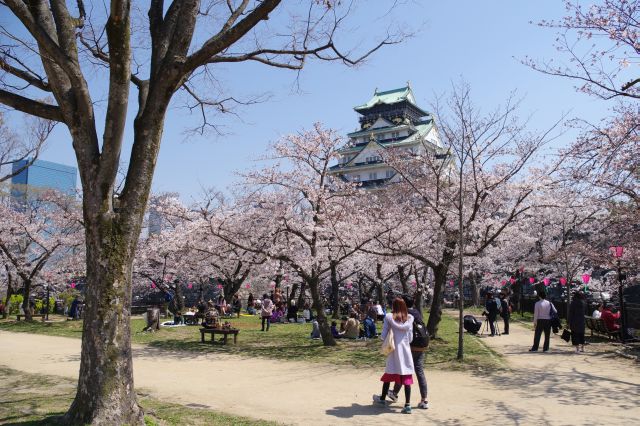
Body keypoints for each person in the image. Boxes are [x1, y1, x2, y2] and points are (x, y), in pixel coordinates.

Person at [372, 297, 415, 414]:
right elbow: (410, 338)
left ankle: (382, 399)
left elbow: (383, 336)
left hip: (393, 351)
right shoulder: (410, 318)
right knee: (406, 377)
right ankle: (407, 405)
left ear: (393, 306)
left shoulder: (388, 317)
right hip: (405, 351)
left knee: (389, 374)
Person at [389, 296, 429, 410]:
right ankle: (424, 399)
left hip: (410, 347)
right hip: (421, 346)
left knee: (404, 370)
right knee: (419, 371)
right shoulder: (417, 312)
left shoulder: (406, 314)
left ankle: (395, 393)